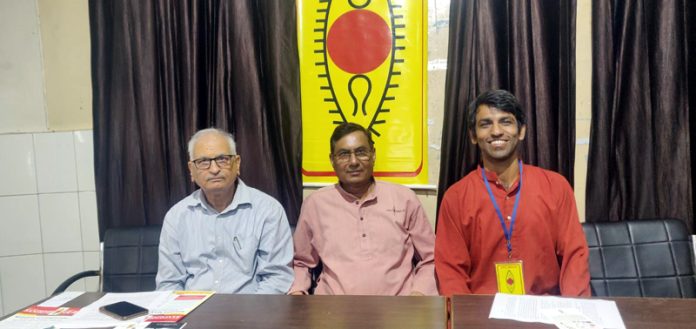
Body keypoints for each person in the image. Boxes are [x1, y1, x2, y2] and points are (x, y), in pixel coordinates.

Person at [435, 90, 590, 296]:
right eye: (486, 124)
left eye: (506, 122)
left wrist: (574, 315)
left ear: (521, 131)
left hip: (545, 315)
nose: (496, 131)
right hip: (483, 317)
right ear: (473, 136)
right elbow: (451, 273)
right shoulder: (456, 198)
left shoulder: (556, 187)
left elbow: (575, 258)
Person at [289, 123, 437, 295]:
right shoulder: (315, 205)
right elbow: (301, 262)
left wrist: (418, 294)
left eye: (361, 152)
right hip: (332, 314)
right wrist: (297, 292)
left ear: (373, 155)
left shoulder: (404, 198)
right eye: (344, 154)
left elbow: (431, 258)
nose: (353, 162)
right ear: (332, 160)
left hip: (398, 313)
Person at [156, 128, 294, 293]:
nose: (214, 169)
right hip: (193, 314)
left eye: (222, 159)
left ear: (237, 164)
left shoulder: (268, 210)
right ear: (191, 170)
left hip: (250, 312)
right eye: (203, 161)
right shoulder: (176, 216)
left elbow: (277, 279)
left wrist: (250, 317)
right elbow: (169, 284)